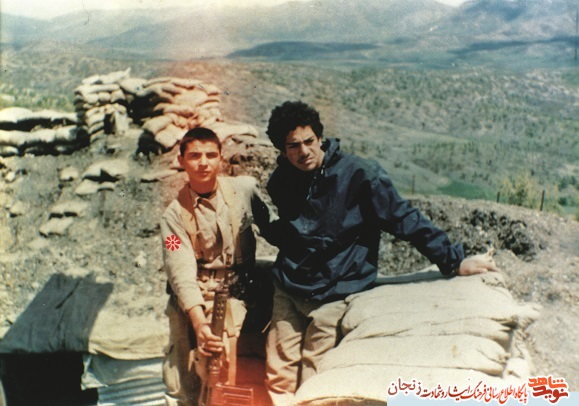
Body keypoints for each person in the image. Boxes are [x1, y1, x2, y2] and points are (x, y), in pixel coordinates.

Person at [263, 100, 500, 405]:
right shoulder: (281, 180)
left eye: (309, 141)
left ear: (320, 137)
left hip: (333, 291)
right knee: (278, 372)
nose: (304, 151)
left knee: (315, 375)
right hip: (289, 285)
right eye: (293, 146)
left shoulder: (358, 175)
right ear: (282, 150)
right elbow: (292, 229)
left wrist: (454, 261)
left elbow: (403, 218)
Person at [160, 127, 271, 406]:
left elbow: (271, 226)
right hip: (194, 294)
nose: (203, 163)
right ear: (181, 161)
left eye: (211, 155)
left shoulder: (244, 190)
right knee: (182, 377)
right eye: (194, 156)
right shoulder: (173, 217)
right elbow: (180, 271)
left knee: (227, 366)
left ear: (221, 158)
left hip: (237, 290)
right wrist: (199, 323)